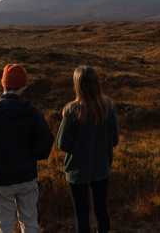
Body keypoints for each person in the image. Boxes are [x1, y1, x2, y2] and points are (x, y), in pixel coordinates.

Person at [0, 64, 54, 233]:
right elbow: (46, 144)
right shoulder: (32, 113)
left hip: (2, 180)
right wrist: (32, 157)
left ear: (3, 84)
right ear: (24, 86)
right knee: (30, 223)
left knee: (5, 226)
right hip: (28, 176)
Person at [57, 65, 119, 233]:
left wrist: (79, 148)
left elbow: (62, 144)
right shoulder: (108, 107)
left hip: (77, 171)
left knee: (81, 214)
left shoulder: (71, 110)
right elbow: (114, 140)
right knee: (101, 210)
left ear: (77, 85)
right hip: (101, 168)